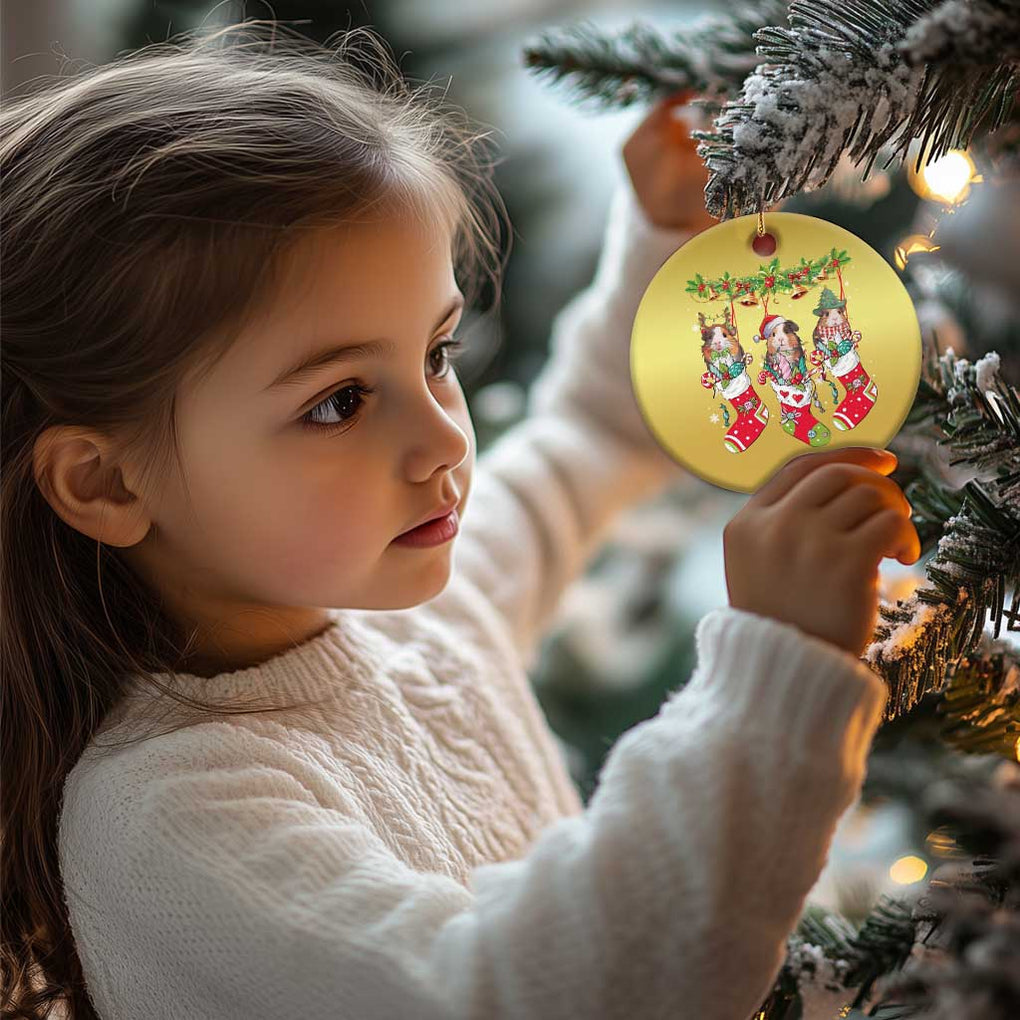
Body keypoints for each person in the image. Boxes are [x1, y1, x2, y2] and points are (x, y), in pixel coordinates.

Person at [0, 20, 919, 1020]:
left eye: (435, 356)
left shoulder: (421, 619)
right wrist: (773, 674)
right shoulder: (169, 816)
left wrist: (665, 241)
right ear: (105, 486)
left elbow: (593, 437)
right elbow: (533, 997)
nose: (441, 441)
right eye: (340, 400)